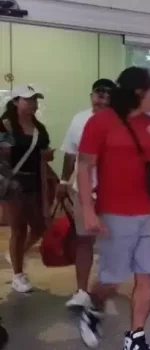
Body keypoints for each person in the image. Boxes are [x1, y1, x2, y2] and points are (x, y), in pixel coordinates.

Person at [77, 67, 150, 349]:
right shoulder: (100, 123)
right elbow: (84, 166)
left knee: (146, 275)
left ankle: (136, 336)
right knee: (111, 280)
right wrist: (88, 209)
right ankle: (91, 308)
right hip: (115, 214)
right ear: (139, 93)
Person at [58, 78, 116, 307]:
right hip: (82, 192)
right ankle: (81, 291)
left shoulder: (121, 121)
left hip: (112, 192)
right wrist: (63, 181)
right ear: (91, 95)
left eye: (107, 93)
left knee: (112, 243)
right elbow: (70, 153)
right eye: (98, 92)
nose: (102, 96)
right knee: (83, 240)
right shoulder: (79, 119)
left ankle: (103, 288)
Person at [0, 86, 53, 293]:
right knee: (19, 229)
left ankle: (16, 254)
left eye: (35, 100)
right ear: (15, 102)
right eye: (27, 99)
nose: (32, 103)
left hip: (34, 183)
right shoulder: (5, 126)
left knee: (40, 226)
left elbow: (41, 159)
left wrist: (46, 159)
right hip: (14, 184)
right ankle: (18, 275)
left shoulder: (39, 129)